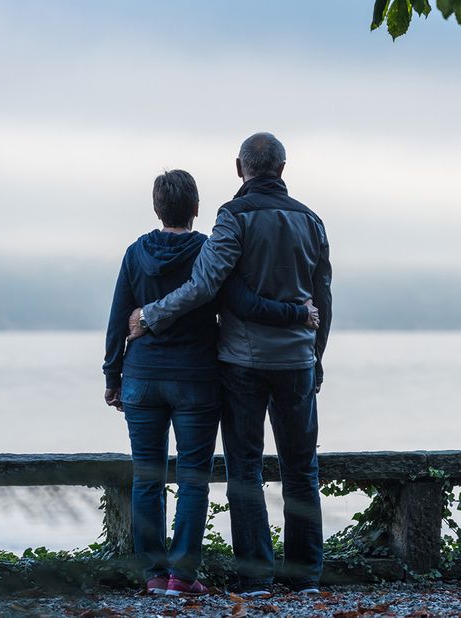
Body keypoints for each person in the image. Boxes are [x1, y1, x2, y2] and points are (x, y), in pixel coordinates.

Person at [128, 133, 332, 596]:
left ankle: (256, 577)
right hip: (297, 360)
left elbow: (204, 286)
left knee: (245, 469)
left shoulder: (232, 217)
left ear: (240, 167)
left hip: (241, 362)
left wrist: (149, 316)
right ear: (282, 167)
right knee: (303, 469)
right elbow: (324, 299)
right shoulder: (312, 221)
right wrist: (315, 357)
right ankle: (305, 579)